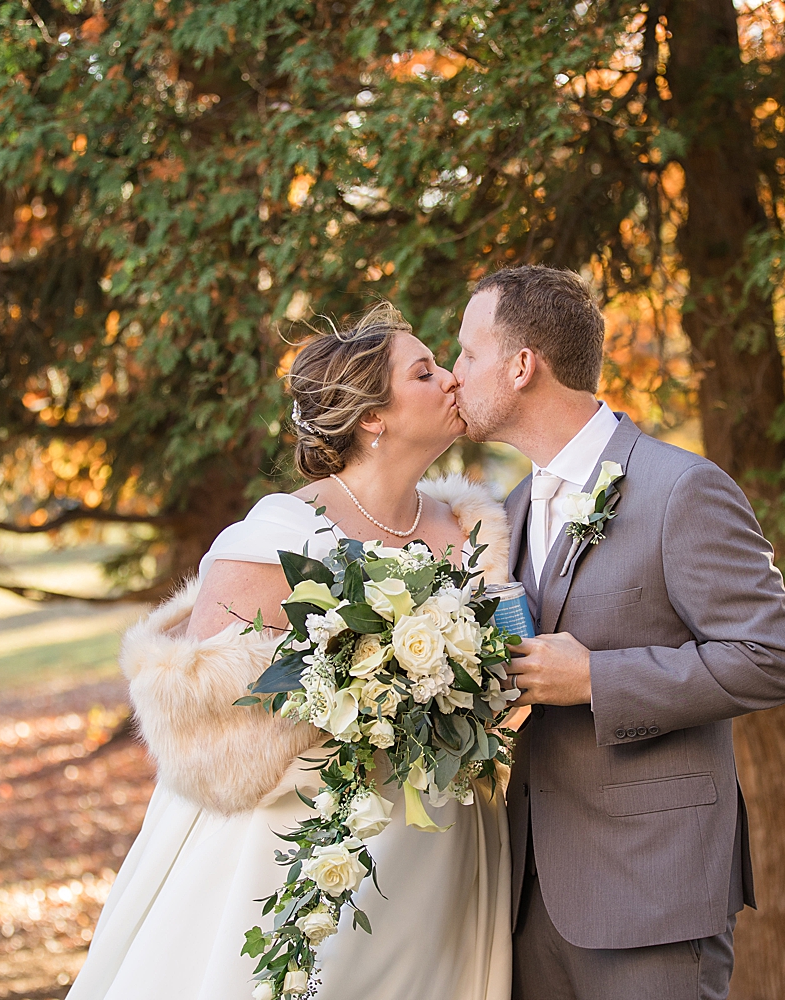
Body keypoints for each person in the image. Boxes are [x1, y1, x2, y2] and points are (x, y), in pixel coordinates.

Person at [66, 303, 514, 1000]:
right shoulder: (277, 535)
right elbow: (199, 725)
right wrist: (359, 707)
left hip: (444, 849)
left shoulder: (473, 529)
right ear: (374, 417)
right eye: (425, 372)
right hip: (301, 847)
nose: (453, 380)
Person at [452, 266, 785, 1000]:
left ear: (522, 367)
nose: (454, 375)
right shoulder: (508, 513)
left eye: (466, 353)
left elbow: (774, 658)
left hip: (654, 893)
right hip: (528, 900)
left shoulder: (682, 489)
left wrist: (597, 680)